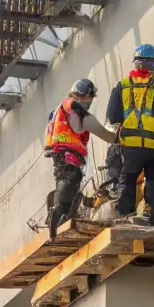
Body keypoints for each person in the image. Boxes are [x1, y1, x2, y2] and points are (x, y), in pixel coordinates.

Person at [106, 44, 154, 227]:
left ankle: (126, 215)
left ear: (135, 64)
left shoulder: (122, 86)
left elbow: (113, 116)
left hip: (130, 143)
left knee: (128, 177)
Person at [44, 79, 118, 239]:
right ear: (85, 95)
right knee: (71, 179)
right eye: (90, 97)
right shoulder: (73, 106)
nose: (90, 101)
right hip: (67, 153)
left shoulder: (60, 109)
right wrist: (113, 137)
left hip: (62, 153)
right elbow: (95, 126)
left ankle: (63, 214)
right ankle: (58, 214)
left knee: (72, 184)